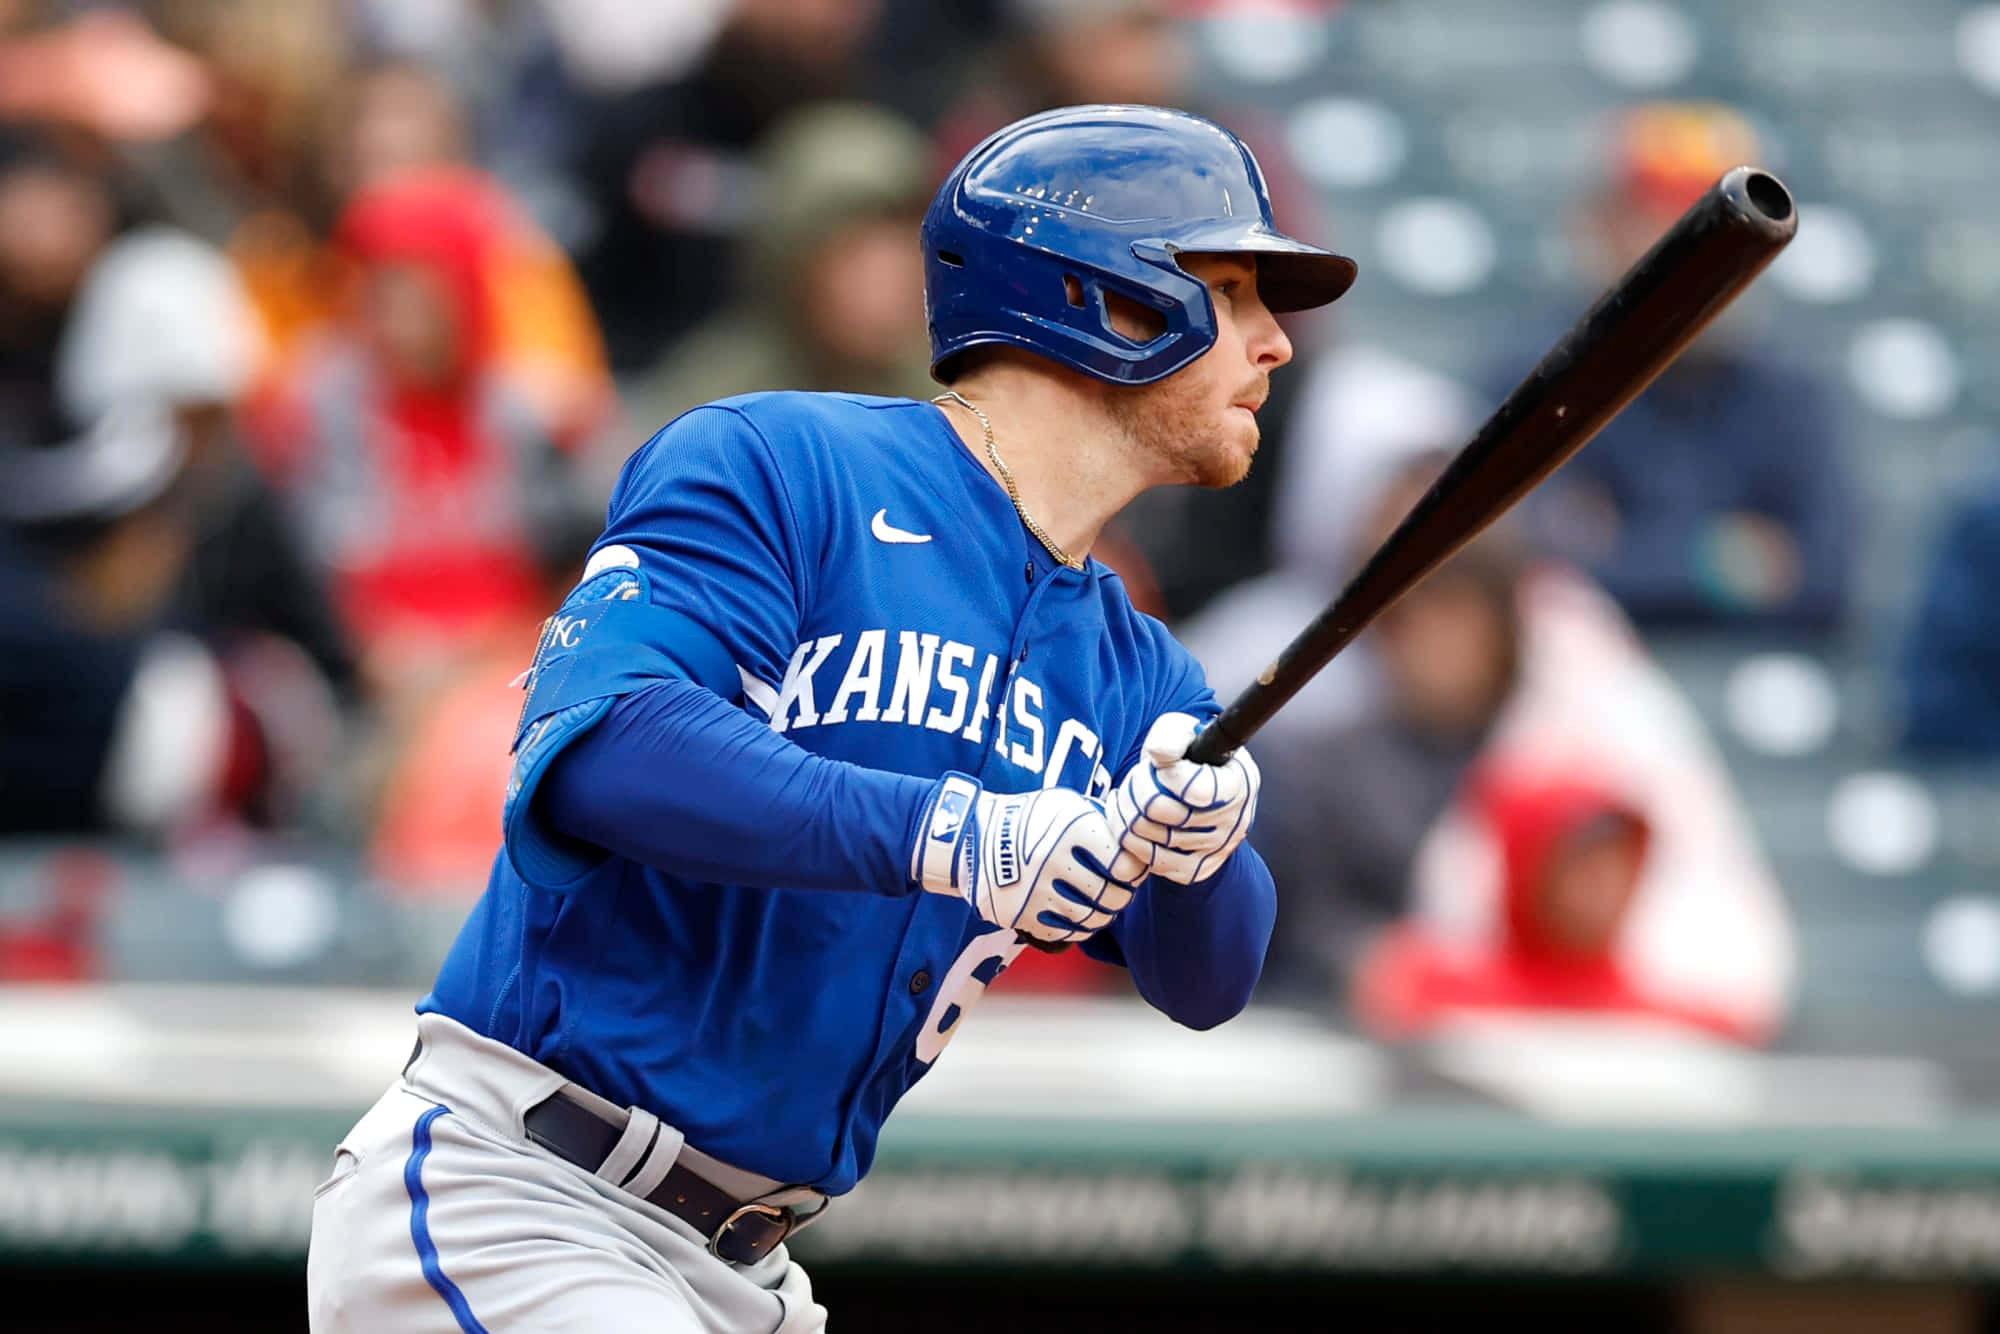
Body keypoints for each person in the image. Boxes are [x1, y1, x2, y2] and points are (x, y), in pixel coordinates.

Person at [306, 104, 1346, 1332]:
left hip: (748, 1269)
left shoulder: (1139, 669)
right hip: (530, 1197)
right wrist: (958, 834)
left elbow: (1207, 975)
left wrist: (1201, 843)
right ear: (1103, 298)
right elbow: (600, 750)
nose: (1275, 344)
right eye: (1231, 291)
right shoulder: (779, 462)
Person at [1514, 101, 1853, 636]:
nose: (1703, 248)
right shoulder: (1533, 378)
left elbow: (1826, 582)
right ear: (1602, 225)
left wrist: (1627, 549)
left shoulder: (1792, 396)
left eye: (1727, 226)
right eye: (1661, 215)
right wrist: (1730, 560)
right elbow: (1533, 568)